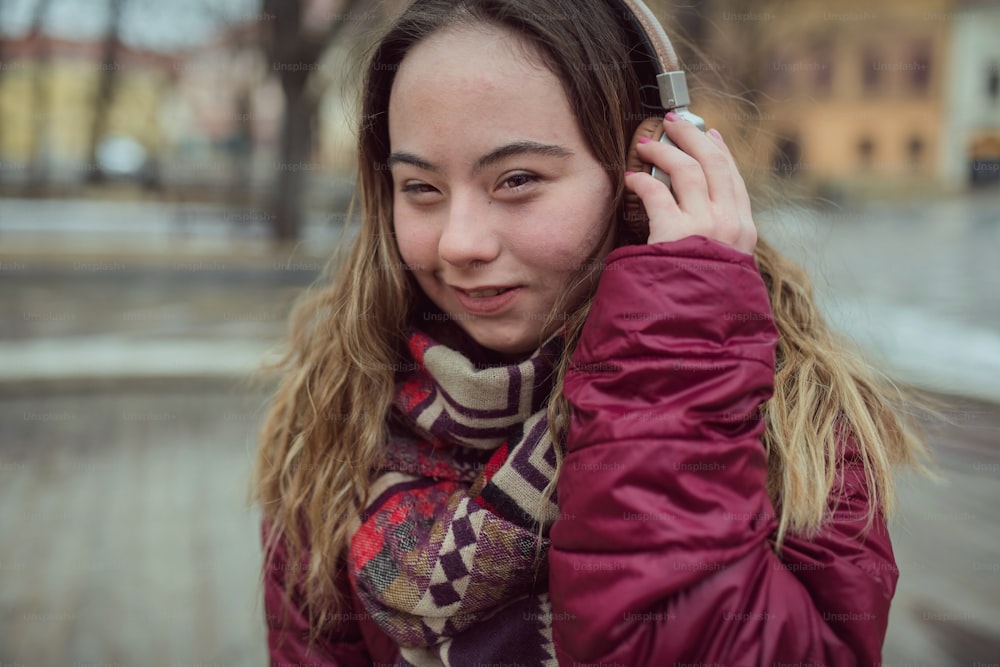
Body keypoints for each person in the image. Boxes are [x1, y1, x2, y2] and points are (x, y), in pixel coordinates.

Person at [252, 0, 929, 664]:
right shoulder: (337, 421)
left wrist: (674, 364)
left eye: (517, 179)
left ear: (652, 174)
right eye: (421, 188)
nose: (459, 242)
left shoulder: (790, 427)